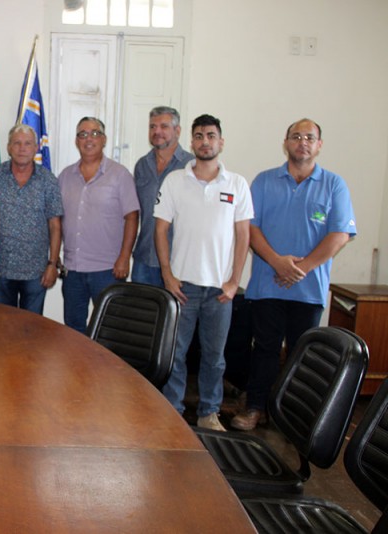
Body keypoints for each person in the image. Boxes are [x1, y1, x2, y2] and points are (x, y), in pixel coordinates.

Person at [231, 119, 357, 431]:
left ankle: (293, 418)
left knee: (305, 357)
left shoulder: (334, 184)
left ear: (319, 145)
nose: (302, 142)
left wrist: (301, 268)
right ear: (285, 142)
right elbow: (250, 227)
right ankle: (255, 408)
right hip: (267, 286)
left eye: (309, 137)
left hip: (308, 289)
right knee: (265, 350)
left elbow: (340, 234)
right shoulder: (263, 181)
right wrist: (277, 262)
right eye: (296, 136)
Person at [154, 114, 253, 431]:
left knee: (214, 357)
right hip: (182, 287)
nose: (205, 141)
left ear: (220, 142)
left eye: (211, 135)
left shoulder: (237, 184)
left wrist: (235, 281)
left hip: (219, 292)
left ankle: (209, 413)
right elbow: (160, 230)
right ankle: (172, 409)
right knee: (176, 354)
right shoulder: (174, 181)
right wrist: (168, 276)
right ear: (191, 141)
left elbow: (243, 236)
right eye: (199, 136)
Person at [58, 117, 139, 333]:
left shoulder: (120, 175)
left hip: (108, 270)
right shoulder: (65, 176)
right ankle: (78, 368)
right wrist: (53, 256)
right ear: (76, 141)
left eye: (95, 133)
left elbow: (132, 217)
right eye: (82, 134)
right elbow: (56, 220)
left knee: (109, 328)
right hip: (72, 270)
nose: (89, 138)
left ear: (104, 139)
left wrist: (124, 257)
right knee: (73, 329)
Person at [0, 125, 63, 314]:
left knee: (32, 330)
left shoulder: (48, 180)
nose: (22, 148)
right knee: (2, 326)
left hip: (35, 271)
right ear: (8, 147)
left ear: (36, 148)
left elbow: (55, 225)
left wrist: (52, 264)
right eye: (16, 143)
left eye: (27, 143)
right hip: (0, 267)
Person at [131, 106, 194, 287]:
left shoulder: (191, 165)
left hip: (179, 263)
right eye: (152, 127)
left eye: (164, 126)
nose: (157, 131)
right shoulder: (142, 165)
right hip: (144, 259)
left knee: (175, 315)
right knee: (142, 315)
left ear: (178, 130)